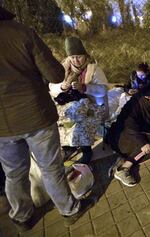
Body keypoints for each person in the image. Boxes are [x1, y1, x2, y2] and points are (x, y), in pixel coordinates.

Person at [0, 5, 91, 230]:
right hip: (35, 115)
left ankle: (22, 216)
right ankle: (69, 210)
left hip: (3, 125)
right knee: (51, 168)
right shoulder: (22, 33)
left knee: (13, 173)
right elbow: (55, 74)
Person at [49, 36, 108, 164]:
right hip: (68, 103)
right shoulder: (62, 68)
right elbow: (51, 88)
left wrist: (85, 87)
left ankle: (87, 150)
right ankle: (68, 147)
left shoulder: (94, 69)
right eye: (72, 57)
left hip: (92, 104)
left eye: (79, 56)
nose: (75, 60)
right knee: (57, 116)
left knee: (82, 117)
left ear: (85, 55)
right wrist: (62, 86)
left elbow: (103, 90)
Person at [107, 93, 150, 187]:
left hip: (122, 139)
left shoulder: (141, 105)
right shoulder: (134, 107)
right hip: (120, 139)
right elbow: (129, 126)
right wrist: (143, 142)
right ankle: (123, 168)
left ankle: (126, 157)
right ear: (148, 97)